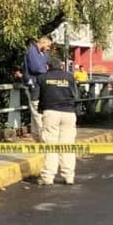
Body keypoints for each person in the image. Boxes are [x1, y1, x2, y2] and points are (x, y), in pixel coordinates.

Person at [37, 52, 80, 186]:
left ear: (48, 66)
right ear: (61, 66)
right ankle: (69, 176)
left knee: (50, 146)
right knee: (67, 145)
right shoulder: (70, 77)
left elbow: (40, 96)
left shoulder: (43, 78)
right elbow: (75, 95)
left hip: (51, 113)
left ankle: (48, 177)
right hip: (68, 113)